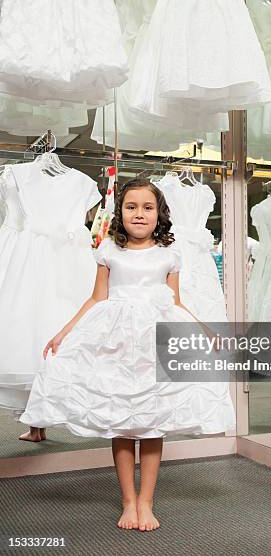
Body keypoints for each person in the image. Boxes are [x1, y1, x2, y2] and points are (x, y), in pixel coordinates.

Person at [19, 178, 236, 532]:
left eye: (147, 207)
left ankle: (147, 501)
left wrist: (205, 331)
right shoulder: (107, 249)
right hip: (116, 338)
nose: (139, 213)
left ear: (159, 214)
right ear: (120, 212)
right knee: (120, 420)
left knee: (152, 422)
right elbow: (97, 297)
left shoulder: (170, 254)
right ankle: (128, 500)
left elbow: (176, 302)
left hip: (157, 339)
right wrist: (65, 331)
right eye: (131, 206)